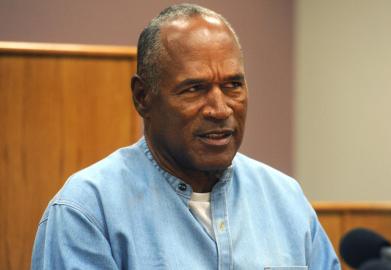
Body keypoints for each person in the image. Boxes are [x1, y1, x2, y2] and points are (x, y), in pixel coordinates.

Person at [32, 3, 340, 270]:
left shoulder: (285, 201)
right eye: (195, 88)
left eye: (233, 85)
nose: (220, 109)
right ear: (143, 97)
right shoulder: (87, 211)